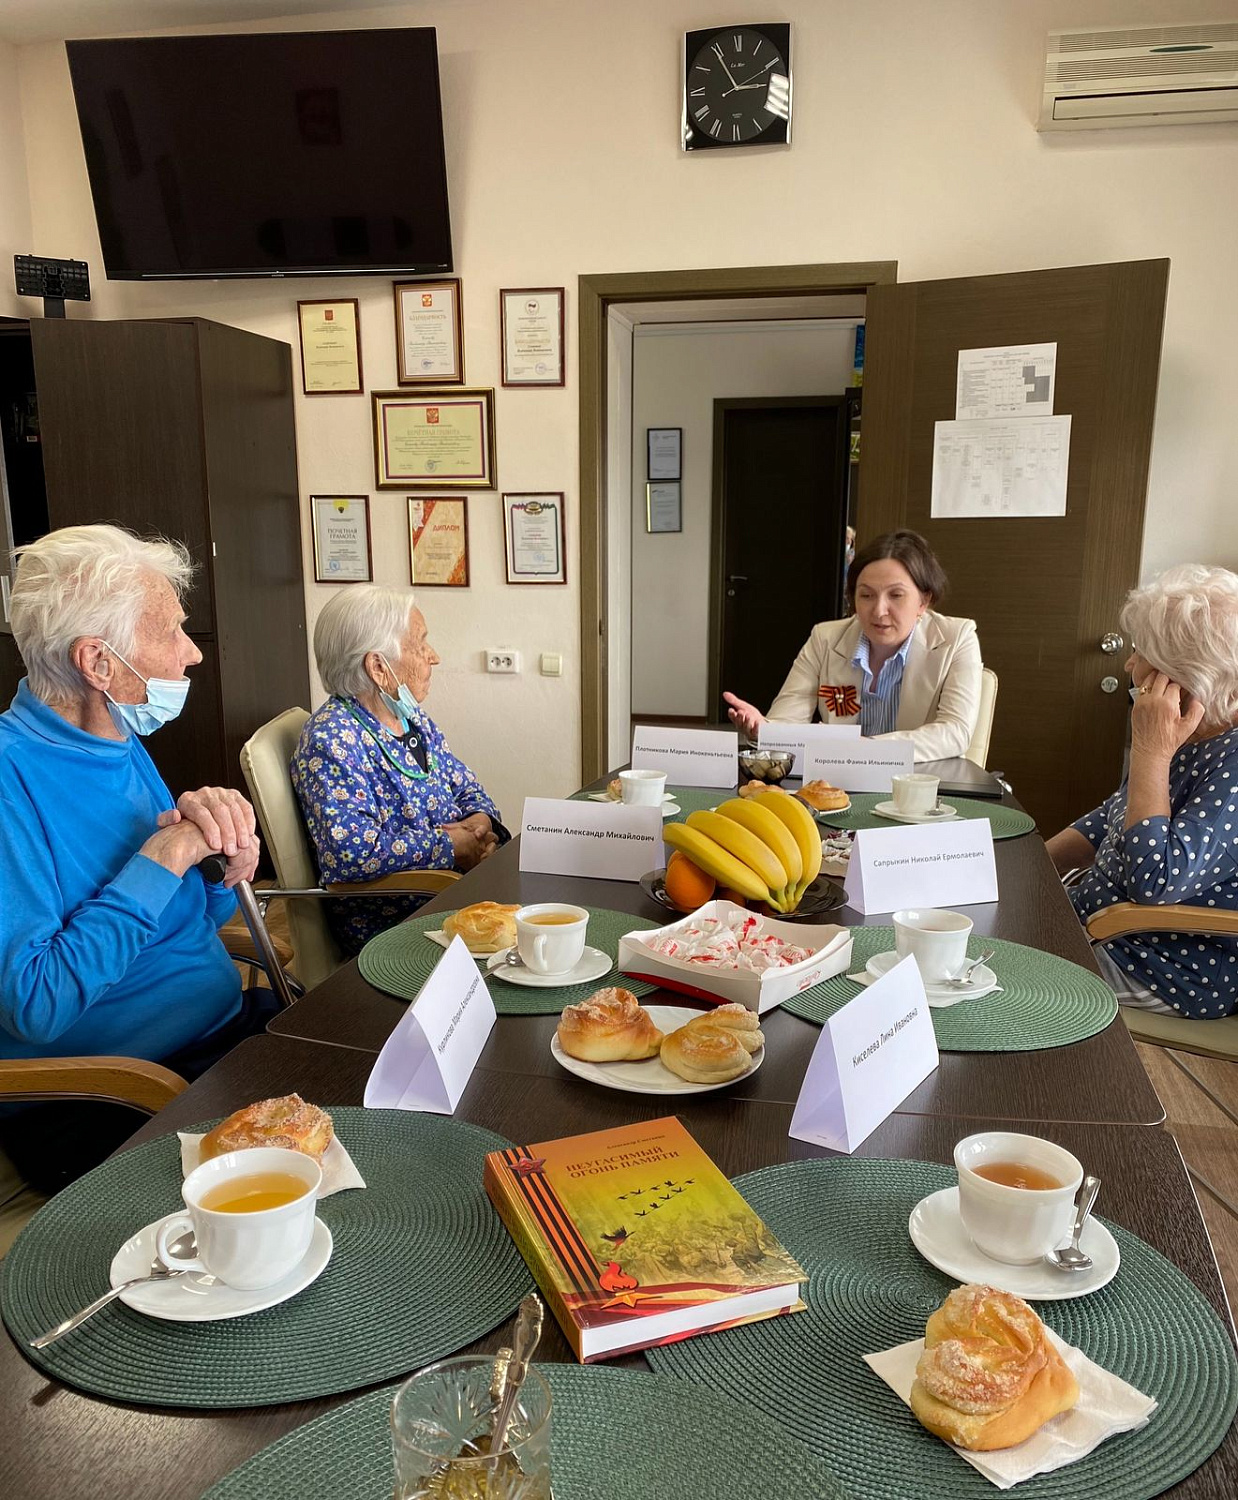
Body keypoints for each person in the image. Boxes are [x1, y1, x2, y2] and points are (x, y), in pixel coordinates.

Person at [0, 524, 269, 1191]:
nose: (190, 655)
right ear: (99, 663)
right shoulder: (11, 781)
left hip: (216, 1042)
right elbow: (37, 1004)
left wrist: (218, 856)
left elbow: (186, 918)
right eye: (169, 633)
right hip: (112, 1094)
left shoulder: (114, 736)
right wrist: (164, 855)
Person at [1046, 564, 1238, 1019]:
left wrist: (1151, 752)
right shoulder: (1194, 734)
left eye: (1141, 652)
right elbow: (1115, 816)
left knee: (978, 968)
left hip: (1160, 968)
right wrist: (1032, 865)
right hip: (1102, 930)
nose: (1129, 665)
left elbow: (1155, 882)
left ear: (1187, 675)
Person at [292, 586, 509, 954]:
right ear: (378, 667)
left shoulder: (408, 718)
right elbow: (351, 854)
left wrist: (479, 822)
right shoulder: (332, 738)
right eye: (420, 644)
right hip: (400, 920)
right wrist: (451, 847)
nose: (433, 656)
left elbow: (467, 786)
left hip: (451, 892)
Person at [723, 530, 983, 762]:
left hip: (917, 785)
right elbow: (788, 720)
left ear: (923, 601)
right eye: (866, 595)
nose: (879, 611)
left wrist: (866, 749)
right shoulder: (825, 638)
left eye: (896, 595)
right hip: (836, 782)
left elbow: (954, 731)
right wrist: (764, 730)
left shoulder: (957, 638)